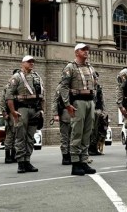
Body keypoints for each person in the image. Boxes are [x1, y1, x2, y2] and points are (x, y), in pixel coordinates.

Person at [58, 43, 98, 176]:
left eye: (87, 49)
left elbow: (95, 85)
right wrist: (67, 104)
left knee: (87, 132)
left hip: (89, 101)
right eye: (83, 50)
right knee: (77, 132)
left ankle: (84, 160)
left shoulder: (90, 67)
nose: (86, 52)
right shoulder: (70, 67)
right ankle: (75, 162)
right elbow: (63, 87)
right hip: (78, 101)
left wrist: (94, 101)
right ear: (76, 52)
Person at [6, 55, 44, 173]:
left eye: (32, 61)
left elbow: (42, 96)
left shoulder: (37, 77)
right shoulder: (16, 78)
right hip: (22, 109)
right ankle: (21, 162)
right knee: (20, 136)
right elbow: (9, 96)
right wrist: (13, 111)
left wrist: (42, 110)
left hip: (34, 109)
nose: (31, 63)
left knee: (30, 137)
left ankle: (27, 160)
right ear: (22, 63)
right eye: (29, 62)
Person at [52, 84, 72, 165]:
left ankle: (72, 154)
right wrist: (55, 114)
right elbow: (55, 101)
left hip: (75, 112)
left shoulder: (75, 85)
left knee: (73, 137)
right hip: (65, 112)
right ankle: (65, 156)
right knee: (65, 137)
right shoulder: (61, 86)